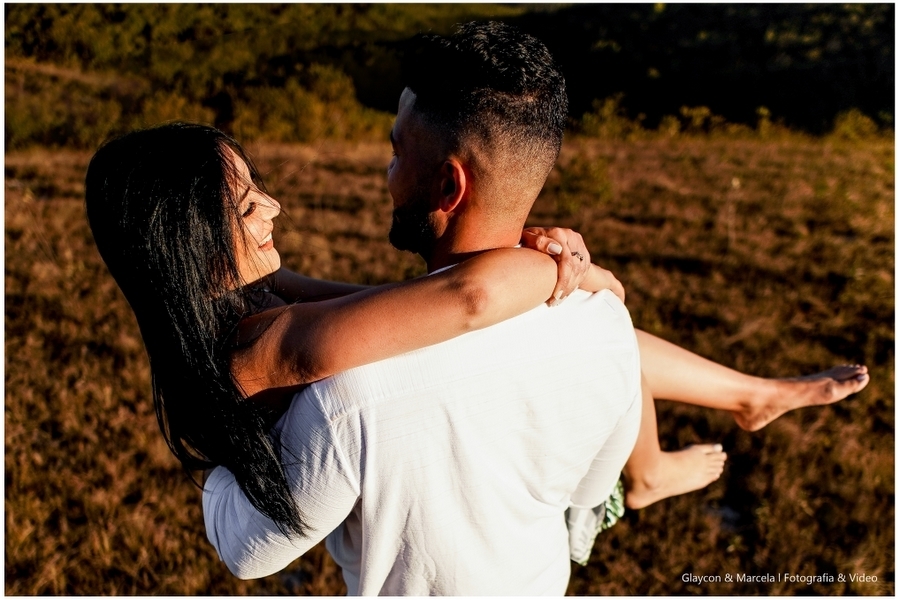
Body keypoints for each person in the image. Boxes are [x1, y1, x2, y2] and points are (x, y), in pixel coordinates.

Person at [195, 22, 867, 593]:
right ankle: (741, 405)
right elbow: (589, 490)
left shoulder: (350, 393)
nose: (387, 170)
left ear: (448, 184)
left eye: (398, 151)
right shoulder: (599, 317)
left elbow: (251, 551)